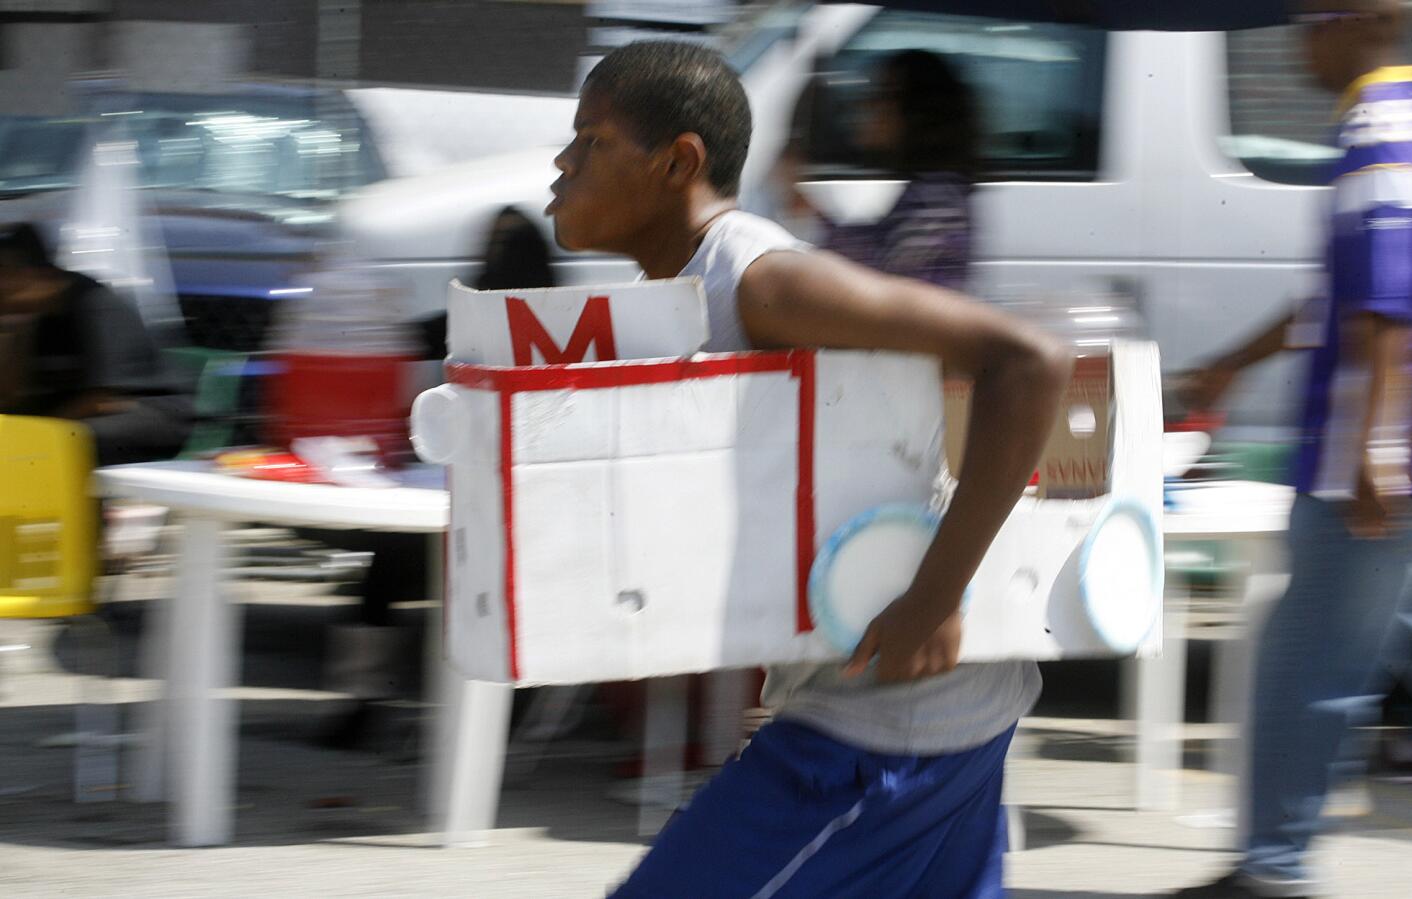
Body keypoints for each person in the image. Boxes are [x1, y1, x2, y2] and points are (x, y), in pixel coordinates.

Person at [545, 41, 1070, 897]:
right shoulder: (682, 290)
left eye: (591, 140)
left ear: (679, 161)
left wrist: (933, 601)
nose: (563, 163)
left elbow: (1030, 362)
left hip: (887, 728)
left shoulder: (760, 279)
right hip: (908, 709)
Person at [1173, 2, 1412, 896]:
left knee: (1308, 664)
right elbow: (1339, 300)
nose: (1297, 39)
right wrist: (1230, 366)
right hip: (1403, 452)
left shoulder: (1382, 132)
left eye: (1310, 18)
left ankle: (1272, 869)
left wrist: (1379, 447)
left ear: (1360, 20)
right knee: (1403, 641)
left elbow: (1389, 302)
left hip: (1369, 457)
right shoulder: (1406, 119)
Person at [315, 208, 558, 749]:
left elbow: (401, 338)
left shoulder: (472, 320)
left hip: (466, 506)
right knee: (393, 569)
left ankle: (363, 703)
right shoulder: (555, 327)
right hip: (517, 511)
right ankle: (504, 709)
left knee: (381, 575)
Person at [0, 222, 191, 465]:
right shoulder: (32, 317)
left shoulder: (95, 304)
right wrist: (18, 328)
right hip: (73, 418)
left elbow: (102, 398)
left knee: (64, 443)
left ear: (35, 274)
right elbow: (11, 397)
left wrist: (41, 433)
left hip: (143, 413)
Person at [820, 49, 982, 291]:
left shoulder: (935, 200)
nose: (867, 105)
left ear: (917, 112)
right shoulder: (932, 190)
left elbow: (882, 281)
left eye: (881, 95)